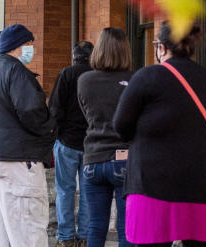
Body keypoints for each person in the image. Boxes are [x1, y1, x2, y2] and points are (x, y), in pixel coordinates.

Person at [114, 23, 206, 246]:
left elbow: (121, 126)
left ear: (162, 48)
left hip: (152, 183)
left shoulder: (146, 77)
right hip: (205, 184)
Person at [0, 24, 54, 247]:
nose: (31, 49)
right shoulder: (17, 72)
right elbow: (32, 111)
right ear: (18, 46)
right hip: (17, 159)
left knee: (2, 234)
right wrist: (50, 130)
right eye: (29, 44)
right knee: (29, 231)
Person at [77, 28, 134, 247]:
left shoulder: (84, 80)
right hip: (124, 158)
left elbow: (87, 115)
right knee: (125, 226)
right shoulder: (133, 79)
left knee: (96, 225)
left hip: (93, 158)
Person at [48, 40, 94, 247]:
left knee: (65, 191)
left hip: (67, 142)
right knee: (87, 192)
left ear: (73, 56)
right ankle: (84, 237)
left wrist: (55, 134)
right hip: (91, 144)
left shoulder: (66, 74)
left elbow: (55, 109)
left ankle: (65, 238)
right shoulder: (96, 76)